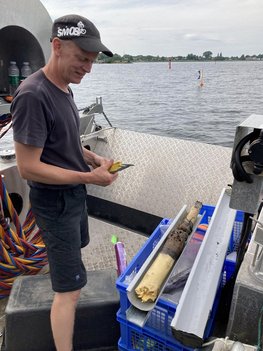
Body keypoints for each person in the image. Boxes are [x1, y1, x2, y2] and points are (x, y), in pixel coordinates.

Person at [11, 14, 118, 351]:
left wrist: (93, 158)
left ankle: (68, 281)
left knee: (74, 263)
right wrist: (90, 177)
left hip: (73, 196)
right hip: (55, 205)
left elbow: (66, 141)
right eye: (82, 58)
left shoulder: (65, 89)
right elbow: (29, 168)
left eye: (92, 61)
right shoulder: (32, 95)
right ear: (57, 47)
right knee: (67, 291)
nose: (88, 67)